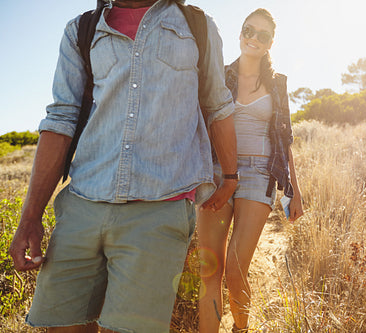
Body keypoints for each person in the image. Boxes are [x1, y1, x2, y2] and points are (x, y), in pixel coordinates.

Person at [8, 0, 238, 332]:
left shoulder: (197, 26)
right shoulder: (81, 30)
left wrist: (230, 176)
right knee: (63, 326)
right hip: (82, 206)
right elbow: (60, 118)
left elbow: (217, 103)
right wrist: (30, 217)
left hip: (160, 208)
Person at [197, 8, 304, 332]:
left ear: (271, 43)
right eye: (249, 30)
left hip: (259, 175)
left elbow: (284, 139)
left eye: (263, 35)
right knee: (208, 271)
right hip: (217, 173)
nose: (254, 38)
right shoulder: (219, 75)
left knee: (235, 269)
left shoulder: (277, 84)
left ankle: (241, 328)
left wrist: (294, 191)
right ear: (240, 33)